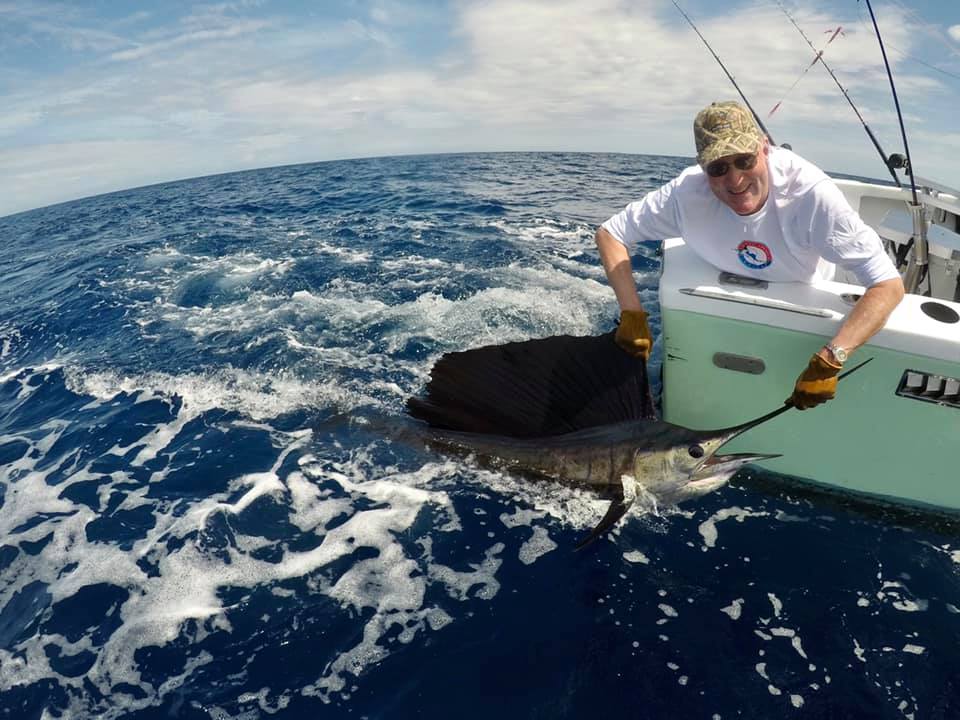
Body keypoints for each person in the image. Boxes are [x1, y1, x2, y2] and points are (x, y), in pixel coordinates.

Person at [595, 100, 905, 410]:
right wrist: (632, 314)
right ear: (702, 167)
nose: (735, 180)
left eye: (744, 160)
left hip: (799, 306)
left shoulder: (812, 196)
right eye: (718, 168)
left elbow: (888, 285)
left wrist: (832, 357)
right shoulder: (684, 192)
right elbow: (610, 233)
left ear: (765, 148)